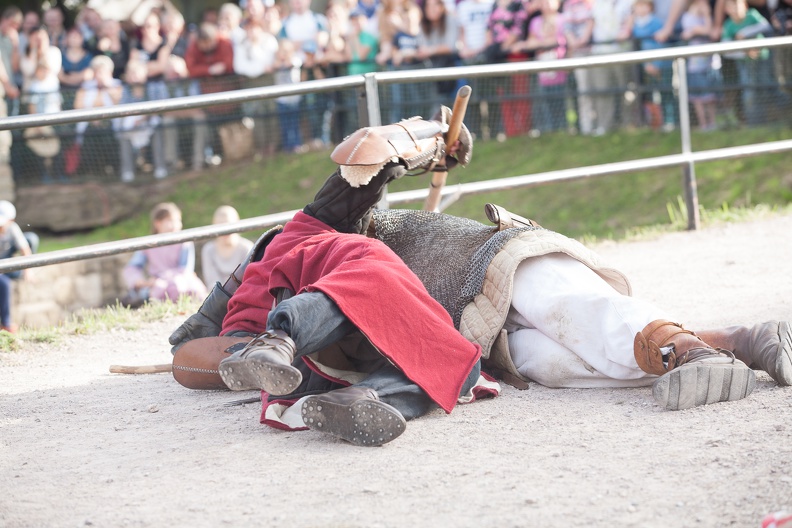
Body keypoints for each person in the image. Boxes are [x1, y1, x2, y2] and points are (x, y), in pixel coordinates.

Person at [169, 112, 791, 443]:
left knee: (569, 307)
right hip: (466, 333)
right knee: (550, 362)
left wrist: (438, 138)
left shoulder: (320, 229)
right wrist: (244, 349)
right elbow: (187, 351)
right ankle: (738, 343)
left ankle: (690, 348)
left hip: (488, 262)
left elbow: (372, 156)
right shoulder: (251, 282)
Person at [170, 111, 484, 447]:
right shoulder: (314, 229)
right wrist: (436, 132)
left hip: (311, 371)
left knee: (461, 362)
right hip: (304, 326)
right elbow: (370, 149)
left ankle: (363, 398)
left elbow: (372, 158)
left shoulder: (244, 311)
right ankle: (284, 339)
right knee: (375, 274)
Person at [122, 202, 208, 306]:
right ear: (158, 223)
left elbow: (185, 269)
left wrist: (167, 279)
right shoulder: (149, 244)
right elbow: (133, 267)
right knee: (148, 294)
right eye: (170, 220)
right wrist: (139, 281)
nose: (175, 225)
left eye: (178, 220)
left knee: (193, 291)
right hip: (157, 285)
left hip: (181, 282)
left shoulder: (184, 242)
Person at [631, 0, 675, 131]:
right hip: (646, 66)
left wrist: (656, 64)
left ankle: (670, 121)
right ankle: (655, 121)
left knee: (666, 93)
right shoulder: (636, 24)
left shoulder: (656, 23)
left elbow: (660, 45)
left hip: (662, 65)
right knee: (649, 95)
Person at [0, 200, 38, 333]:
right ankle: (6, 322)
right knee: (3, 283)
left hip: (8, 259)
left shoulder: (12, 228)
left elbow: (24, 248)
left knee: (31, 238)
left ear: (11, 220)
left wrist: (28, 270)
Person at [681, 0, 719, 131]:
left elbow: (710, 32)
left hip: (710, 65)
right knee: (698, 98)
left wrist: (707, 15)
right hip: (695, 67)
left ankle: (713, 123)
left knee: (710, 97)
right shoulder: (687, 18)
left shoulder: (707, 17)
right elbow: (702, 30)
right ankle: (703, 124)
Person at [200, 205, 254, 287]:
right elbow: (211, 281)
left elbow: (249, 279)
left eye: (228, 224)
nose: (225, 230)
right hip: (217, 296)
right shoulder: (208, 250)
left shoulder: (247, 248)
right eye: (220, 225)